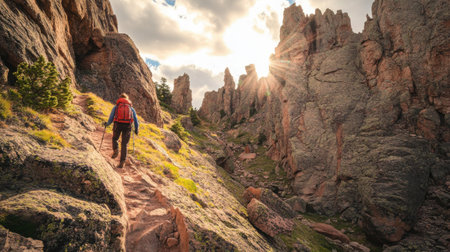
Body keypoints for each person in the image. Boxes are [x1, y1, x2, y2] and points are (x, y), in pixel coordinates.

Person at [104, 93, 139, 168]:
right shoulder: (130, 107)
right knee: (124, 144)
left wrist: (107, 124)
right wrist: (136, 129)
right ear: (127, 99)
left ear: (120, 98)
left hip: (118, 124)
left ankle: (116, 149)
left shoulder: (116, 106)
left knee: (115, 138)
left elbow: (111, 117)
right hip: (128, 126)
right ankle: (122, 162)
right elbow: (135, 120)